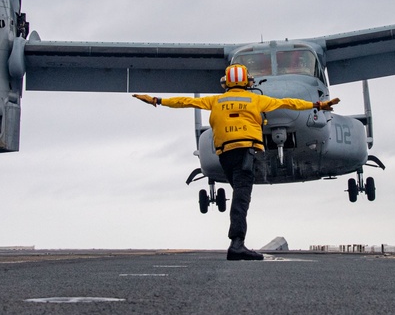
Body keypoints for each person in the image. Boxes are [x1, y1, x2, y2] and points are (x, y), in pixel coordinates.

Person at [133, 64, 339, 261]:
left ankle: (237, 241)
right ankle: (237, 244)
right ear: (247, 82)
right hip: (245, 151)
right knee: (241, 198)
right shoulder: (256, 100)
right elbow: (289, 103)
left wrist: (156, 100)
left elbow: (185, 101)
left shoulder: (216, 101)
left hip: (224, 154)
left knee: (238, 193)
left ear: (227, 83)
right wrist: (318, 105)